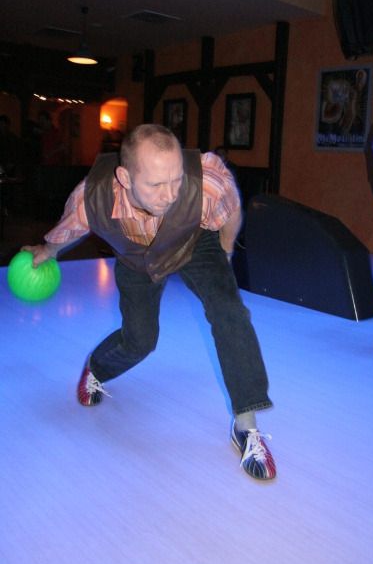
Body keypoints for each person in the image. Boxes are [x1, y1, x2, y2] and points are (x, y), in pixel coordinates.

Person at [23, 124, 276, 480]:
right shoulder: (92, 196)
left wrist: (225, 249)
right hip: (135, 255)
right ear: (125, 178)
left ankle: (246, 426)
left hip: (193, 241)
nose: (169, 195)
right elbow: (71, 227)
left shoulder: (205, 183)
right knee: (141, 340)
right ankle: (97, 368)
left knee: (230, 311)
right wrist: (47, 250)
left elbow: (231, 209)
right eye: (156, 185)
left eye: (176, 180)